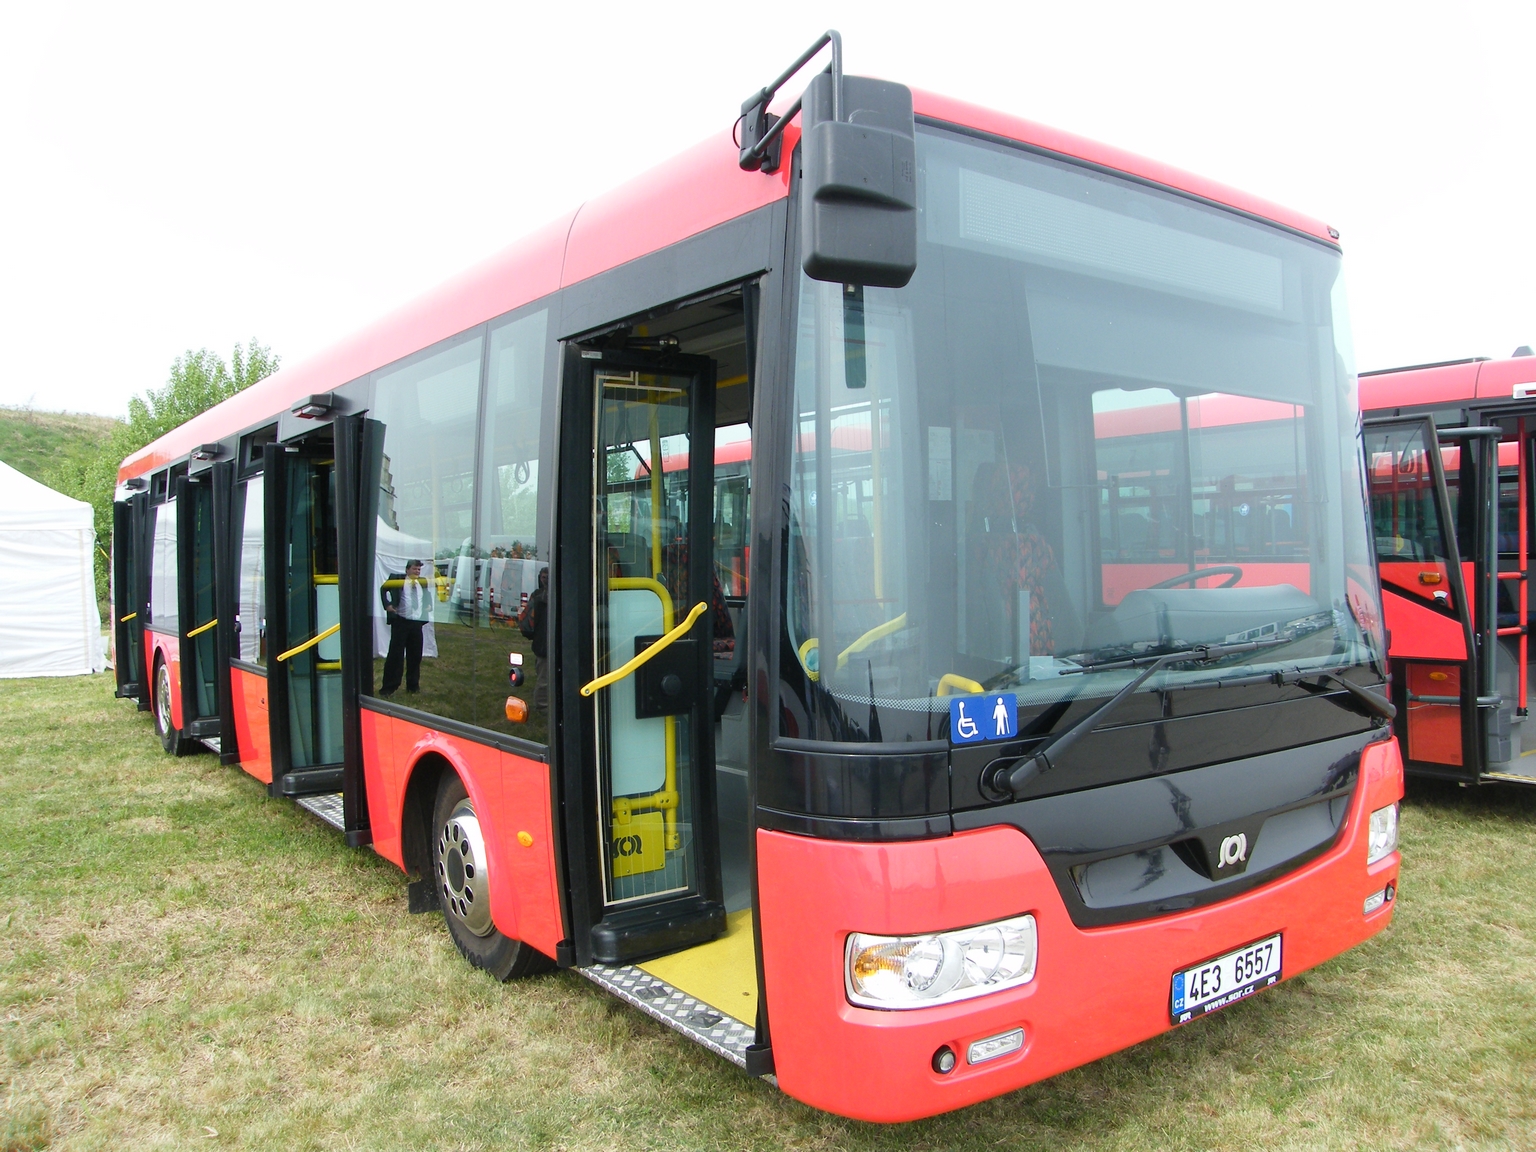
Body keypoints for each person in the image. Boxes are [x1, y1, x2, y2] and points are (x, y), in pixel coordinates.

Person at [381, 558, 432, 695]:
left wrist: (428, 605)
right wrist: (387, 605)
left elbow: (426, 595)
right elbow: (383, 589)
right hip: (401, 622)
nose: (417, 571)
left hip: (416, 623)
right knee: (395, 655)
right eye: (414, 569)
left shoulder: (422, 582)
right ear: (407, 569)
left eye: (419, 569)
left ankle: (413, 686)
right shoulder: (397, 579)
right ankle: (389, 687)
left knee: (415, 656)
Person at [518, 566, 550, 710]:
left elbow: (526, 624)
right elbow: (526, 623)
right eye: (544, 577)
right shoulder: (539, 597)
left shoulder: (538, 596)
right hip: (544, 646)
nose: (546, 580)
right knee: (544, 681)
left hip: (543, 645)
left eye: (547, 577)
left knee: (545, 679)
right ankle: (543, 708)